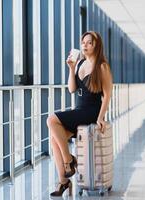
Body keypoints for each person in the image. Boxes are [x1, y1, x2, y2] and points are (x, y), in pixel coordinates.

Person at [47, 31, 113, 197]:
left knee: (51, 120)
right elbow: (72, 89)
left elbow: (107, 95)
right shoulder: (80, 63)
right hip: (79, 110)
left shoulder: (102, 66)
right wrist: (71, 68)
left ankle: (70, 160)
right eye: (83, 42)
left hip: (91, 112)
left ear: (96, 46)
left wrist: (100, 118)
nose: (84, 45)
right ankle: (64, 181)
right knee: (54, 138)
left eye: (89, 42)